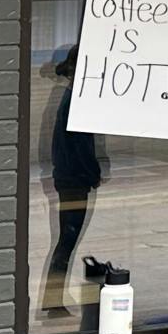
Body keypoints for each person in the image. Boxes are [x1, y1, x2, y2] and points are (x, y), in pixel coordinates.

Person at [42, 49, 108, 316]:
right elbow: (80, 147)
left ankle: (54, 297)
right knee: (67, 239)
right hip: (73, 180)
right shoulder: (76, 101)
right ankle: (53, 300)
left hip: (69, 177)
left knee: (66, 238)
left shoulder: (71, 98)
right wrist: (93, 174)